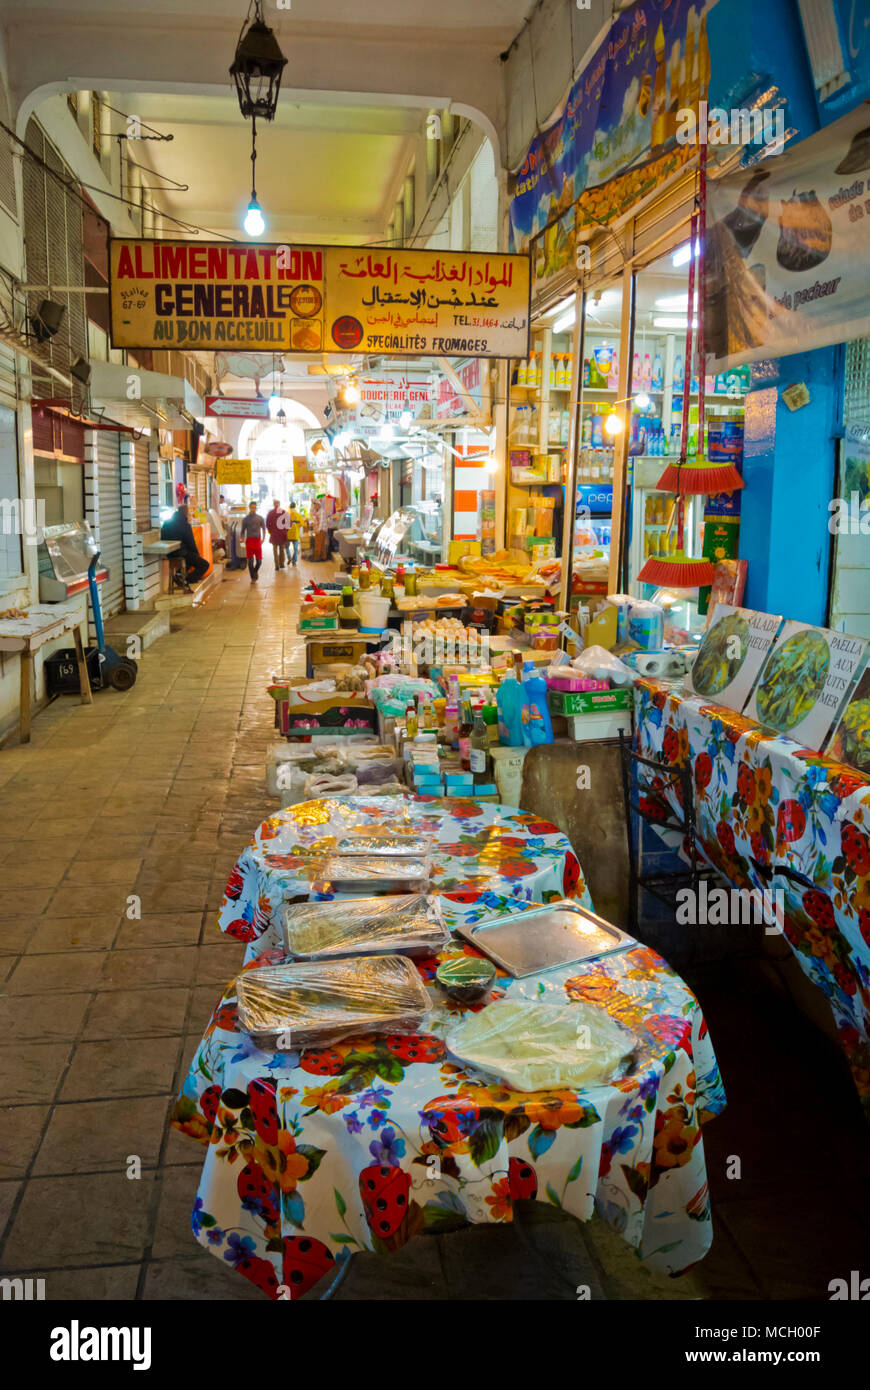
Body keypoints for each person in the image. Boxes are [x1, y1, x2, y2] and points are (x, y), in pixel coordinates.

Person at [160, 503, 209, 588]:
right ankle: (185, 579)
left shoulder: (166, 522)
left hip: (168, 553)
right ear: (186, 513)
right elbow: (191, 542)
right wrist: (197, 554)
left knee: (189, 562)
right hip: (181, 553)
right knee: (204, 564)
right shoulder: (185, 524)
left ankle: (180, 575)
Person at [240, 500, 266, 582]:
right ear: (249, 508)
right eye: (252, 508)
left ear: (256, 508)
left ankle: (255, 572)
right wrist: (242, 538)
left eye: (254, 508)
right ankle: (253, 576)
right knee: (250, 562)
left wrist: (263, 538)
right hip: (249, 541)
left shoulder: (260, 518)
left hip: (257, 541)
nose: (253, 509)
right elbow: (242, 530)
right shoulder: (245, 519)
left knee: (259, 561)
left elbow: (264, 529)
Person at [266, 498, 287, 570]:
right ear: (279, 504)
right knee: (282, 549)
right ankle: (282, 564)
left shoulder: (270, 512)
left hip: (274, 534)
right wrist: (285, 531)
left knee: (275, 550)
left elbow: (268, 524)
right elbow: (287, 523)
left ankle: (277, 565)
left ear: (274, 504)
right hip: (282, 534)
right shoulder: (284, 512)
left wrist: (270, 531)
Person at [285, 499, 303, 566]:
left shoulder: (286, 514)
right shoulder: (298, 515)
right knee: (295, 548)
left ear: (289, 507)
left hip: (288, 534)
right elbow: (301, 524)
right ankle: (294, 561)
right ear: (295, 507)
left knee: (286, 547)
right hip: (295, 534)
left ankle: (289, 557)